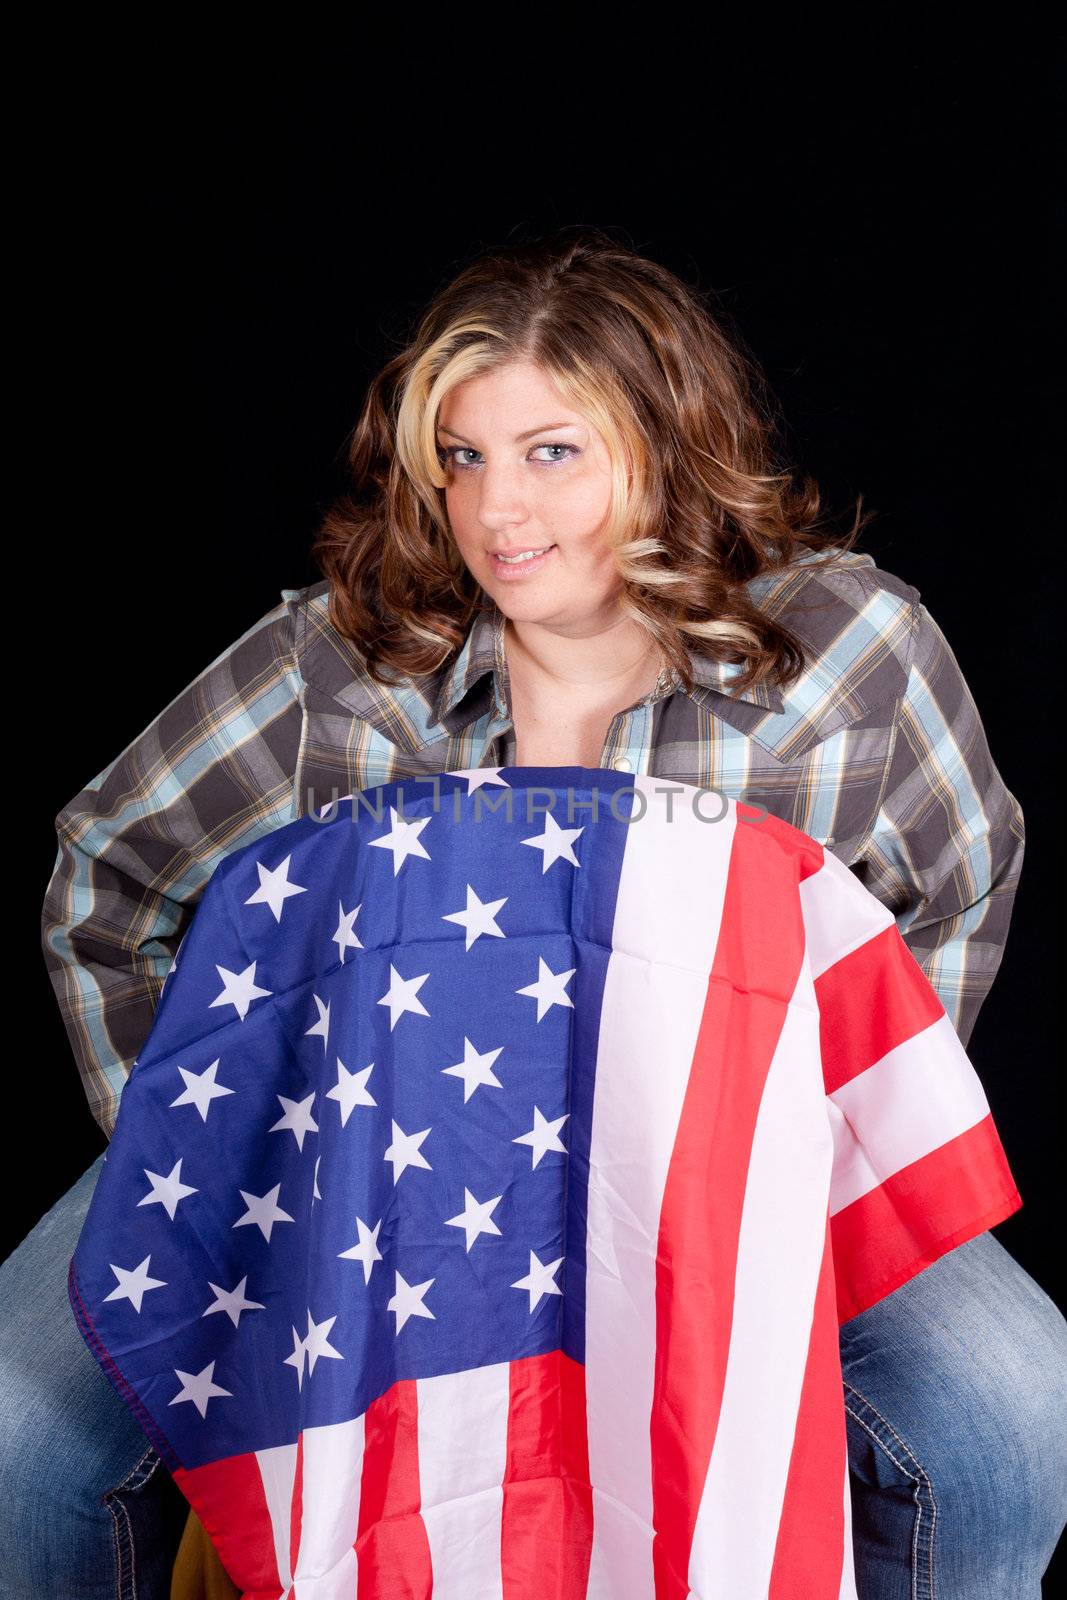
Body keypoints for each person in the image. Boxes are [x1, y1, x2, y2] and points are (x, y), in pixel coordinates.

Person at [7, 226, 1066, 1597]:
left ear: (667, 447)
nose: (497, 509)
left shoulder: (845, 656)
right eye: (463, 457)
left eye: (551, 451)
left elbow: (965, 868)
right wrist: (221, 1154)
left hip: (716, 1174)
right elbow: (107, 872)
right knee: (24, 1443)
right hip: (367, 1176)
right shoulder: (341, 668)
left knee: (1011, 1427)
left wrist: (819, 1134)